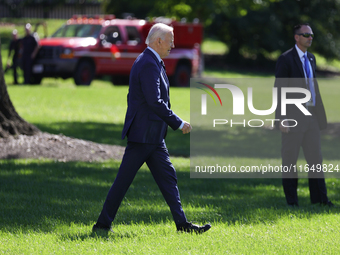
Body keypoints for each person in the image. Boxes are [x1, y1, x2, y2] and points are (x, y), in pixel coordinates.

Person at [92, 23, 211, 234]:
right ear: (158, 41)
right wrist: (179, 122)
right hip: (143, 136)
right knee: (123, 182)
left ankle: (182, 225)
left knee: (168, 178)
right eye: (170, 41)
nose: (173, 45)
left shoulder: (152, 60)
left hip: (153, 136)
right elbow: (154, 101)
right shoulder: (148, 63)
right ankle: (102, 224)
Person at [274, 23, 333, 207]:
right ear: (296, 37)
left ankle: (320, 199)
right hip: (293, 117)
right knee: (290, 160)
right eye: (306, 34)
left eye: (311, 35)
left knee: (316, 159)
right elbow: (279, 89)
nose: (310, 37)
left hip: (312, 117)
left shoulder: (312, 59)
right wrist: (282, 118)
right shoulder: (286, 59)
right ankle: (292, 202)